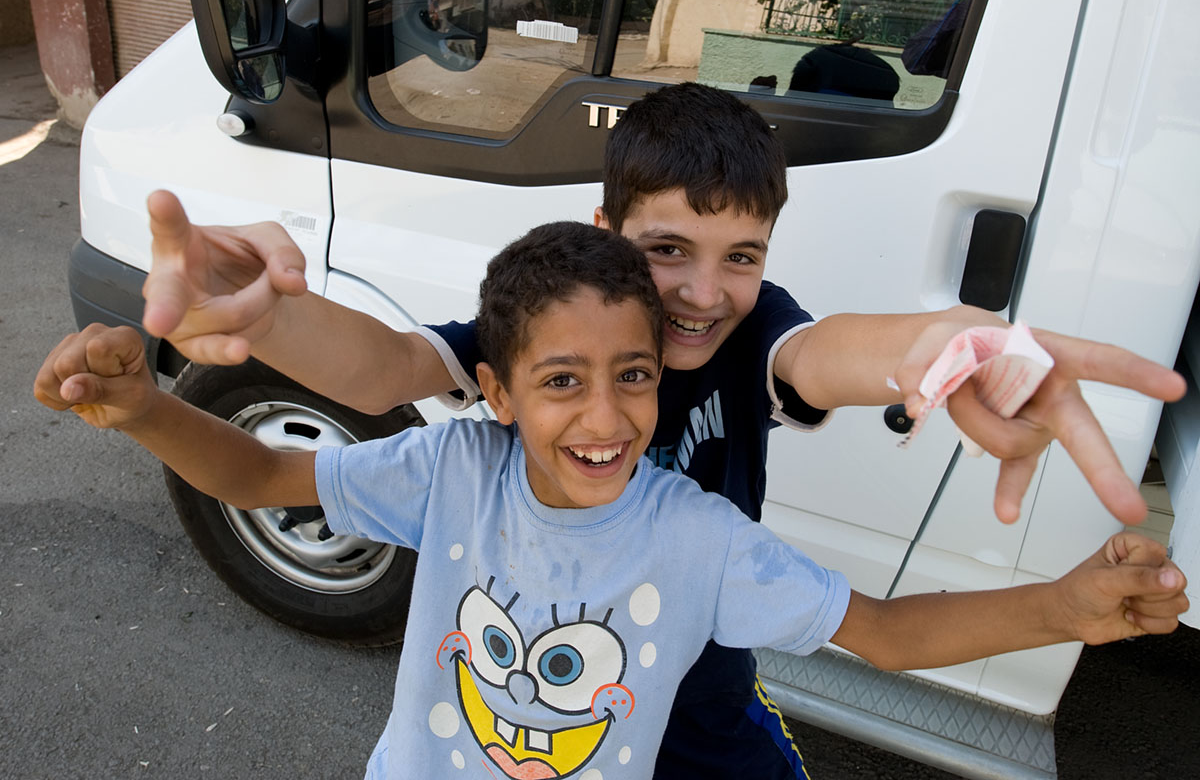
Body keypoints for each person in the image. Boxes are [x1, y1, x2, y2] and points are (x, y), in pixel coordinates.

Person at [110, 83, 1184, 778]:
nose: (702, 294)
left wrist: (943, 344)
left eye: (741, 257)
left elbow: (826, 356)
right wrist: (264, 315)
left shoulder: (738, 381)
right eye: (668, 250)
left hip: (700, 698)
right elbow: (382, 371)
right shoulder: (521, 366)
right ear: (607, 233)